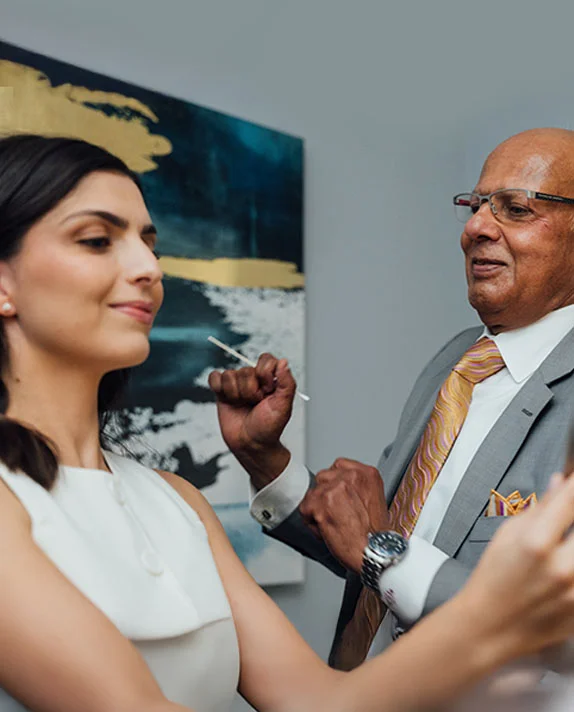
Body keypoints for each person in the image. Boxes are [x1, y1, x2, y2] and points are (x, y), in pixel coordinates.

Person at [2, 134, 574, 712]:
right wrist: (485, 612)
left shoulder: (177, 501)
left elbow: (318, 699)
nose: (149, 267)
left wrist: (405, 565)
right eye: (98, 239)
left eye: (517, 208)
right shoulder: (454, 365)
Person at [208, 128, 574, 685]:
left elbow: (561, 635)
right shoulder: (456, 362)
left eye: (515, 209)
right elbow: (375, 555)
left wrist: (384, 553)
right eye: (475, 206)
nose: (475, 228)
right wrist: (266, 461)